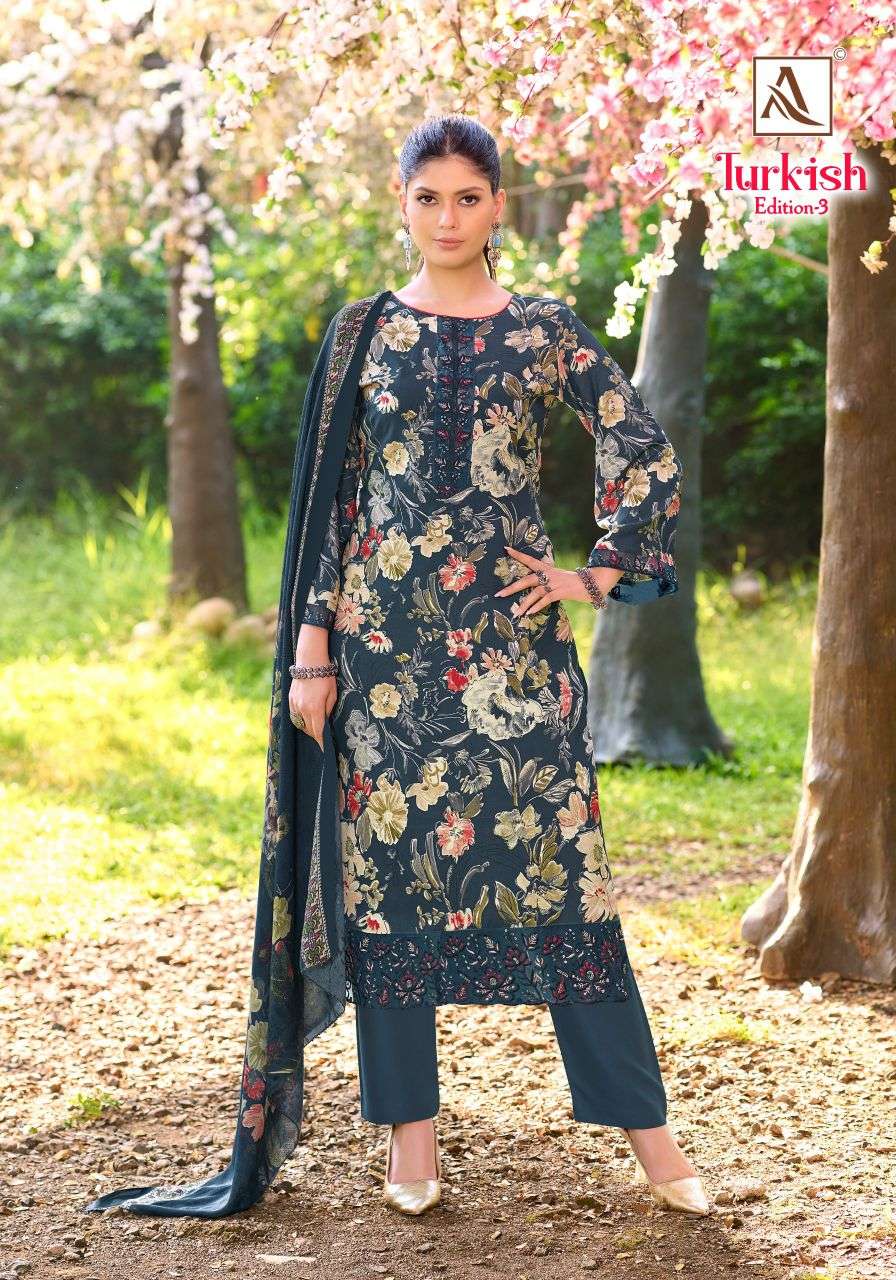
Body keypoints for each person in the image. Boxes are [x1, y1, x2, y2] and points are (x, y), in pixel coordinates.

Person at [84, 113, 708, 1223]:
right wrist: (310, 648)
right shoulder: (362, 334)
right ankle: (410, 1142)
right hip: (384, 658)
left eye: (468, 197)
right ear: (402, 201)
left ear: (497, 205)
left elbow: (641, 450)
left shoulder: (543, 329)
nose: (447, 217)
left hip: (515, 653)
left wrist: (596, 574)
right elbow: (332, 504)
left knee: (568, 881)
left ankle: (654, 1148)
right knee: (393, 891)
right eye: (429, 198)